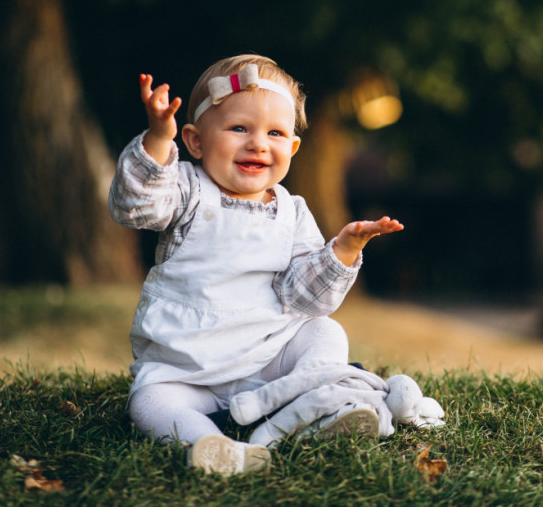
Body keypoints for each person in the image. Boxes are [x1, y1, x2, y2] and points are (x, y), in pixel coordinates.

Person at [108, 54, 404, 475]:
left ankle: (321, 405)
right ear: (194, 142)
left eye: (276, 133)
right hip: (189, 368)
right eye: (239, 128)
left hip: (267, 361)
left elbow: (303, 296)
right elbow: (136, 208)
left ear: (293, 148)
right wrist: (158, 140)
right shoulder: (188, 192)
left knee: (323, 331)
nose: (258, 143)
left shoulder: (293, 211)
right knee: (150, 401)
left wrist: (343, 249)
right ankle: (209, 443)